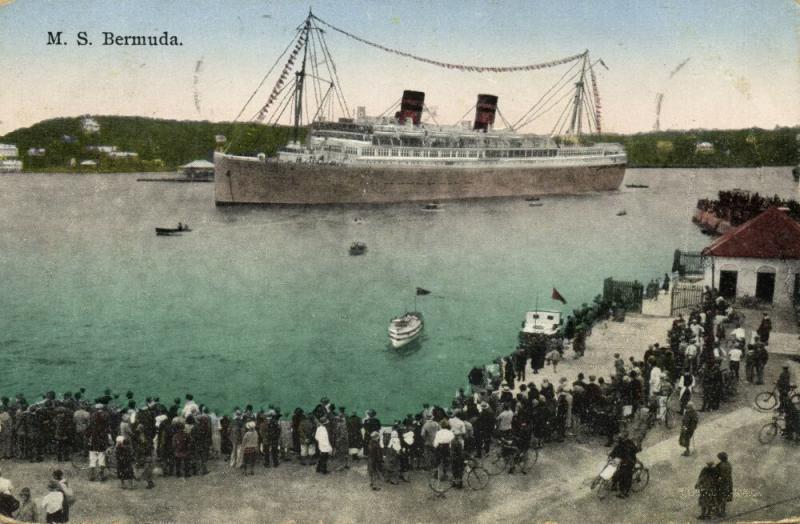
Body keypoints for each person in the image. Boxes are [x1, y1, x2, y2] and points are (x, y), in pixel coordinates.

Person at [609, 432, 638, 498]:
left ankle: (624, 492)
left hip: (629, 462)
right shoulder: (622, 443)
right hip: (622, 460)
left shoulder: (629, 444)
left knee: (625, 476)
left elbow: (630, 453)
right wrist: (611, 455)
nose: (621, 439)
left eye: (622, 438)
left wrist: (625, 460)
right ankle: (614, 485)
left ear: (626, 437)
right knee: (614, 471)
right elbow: (616, 449)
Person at [715, 452, 733, 518]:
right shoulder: (729, 465)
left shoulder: (719, 465)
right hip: (727, 483)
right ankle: (723, 512)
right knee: (724, 498)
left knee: (718, 497)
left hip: (720, 483)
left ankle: (718, 512)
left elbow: (716, 474)